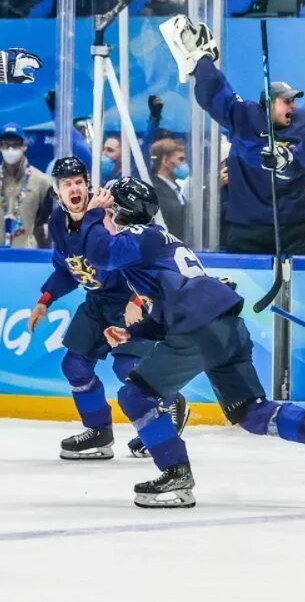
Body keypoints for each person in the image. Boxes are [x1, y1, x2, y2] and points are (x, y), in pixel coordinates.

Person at [82, 177, 305, 507]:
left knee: (136, 396)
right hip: (224, 324)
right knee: (250, 412)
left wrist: (93, 214)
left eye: (109, 210)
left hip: (199, 328)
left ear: (120, 212)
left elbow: (98, 254)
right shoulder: (160, 241)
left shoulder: (136, 236)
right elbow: (170, 305)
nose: (104, 217)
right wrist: (134, 333)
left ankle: (176, 475)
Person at [28, 157, 187, 461]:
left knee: (128, 369)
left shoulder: (110, 213)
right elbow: (68, 269)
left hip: (129, 300)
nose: (74, 188)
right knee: (74, 366)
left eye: (78, 182)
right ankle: (99, 432)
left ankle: (169, 406)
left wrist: (139, 299)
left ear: (87, 184)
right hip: (97, 303)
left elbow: (146, 258)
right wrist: (45, 299)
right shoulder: (58, 223)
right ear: (56, 191)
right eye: (66, 184)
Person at [161, 14, 305, 255]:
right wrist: (202, 61)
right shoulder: (246, 117)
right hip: (247, 231)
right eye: (286, 101)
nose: (292, 107)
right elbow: (216, 94)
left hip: (294, 231)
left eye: (293, 101)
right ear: (267, 103)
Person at [1, 124, 52, 248]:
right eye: (6, 144)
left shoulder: (42, 182)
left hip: (28, 258)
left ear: (24, 146)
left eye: (16, 144)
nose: (10, 149)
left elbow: (48, 223)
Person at [149, 137, 187, 239]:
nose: (184, 164)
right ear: (165, 161)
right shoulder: (157, 192)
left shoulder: (175, 189)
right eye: (181, 159)